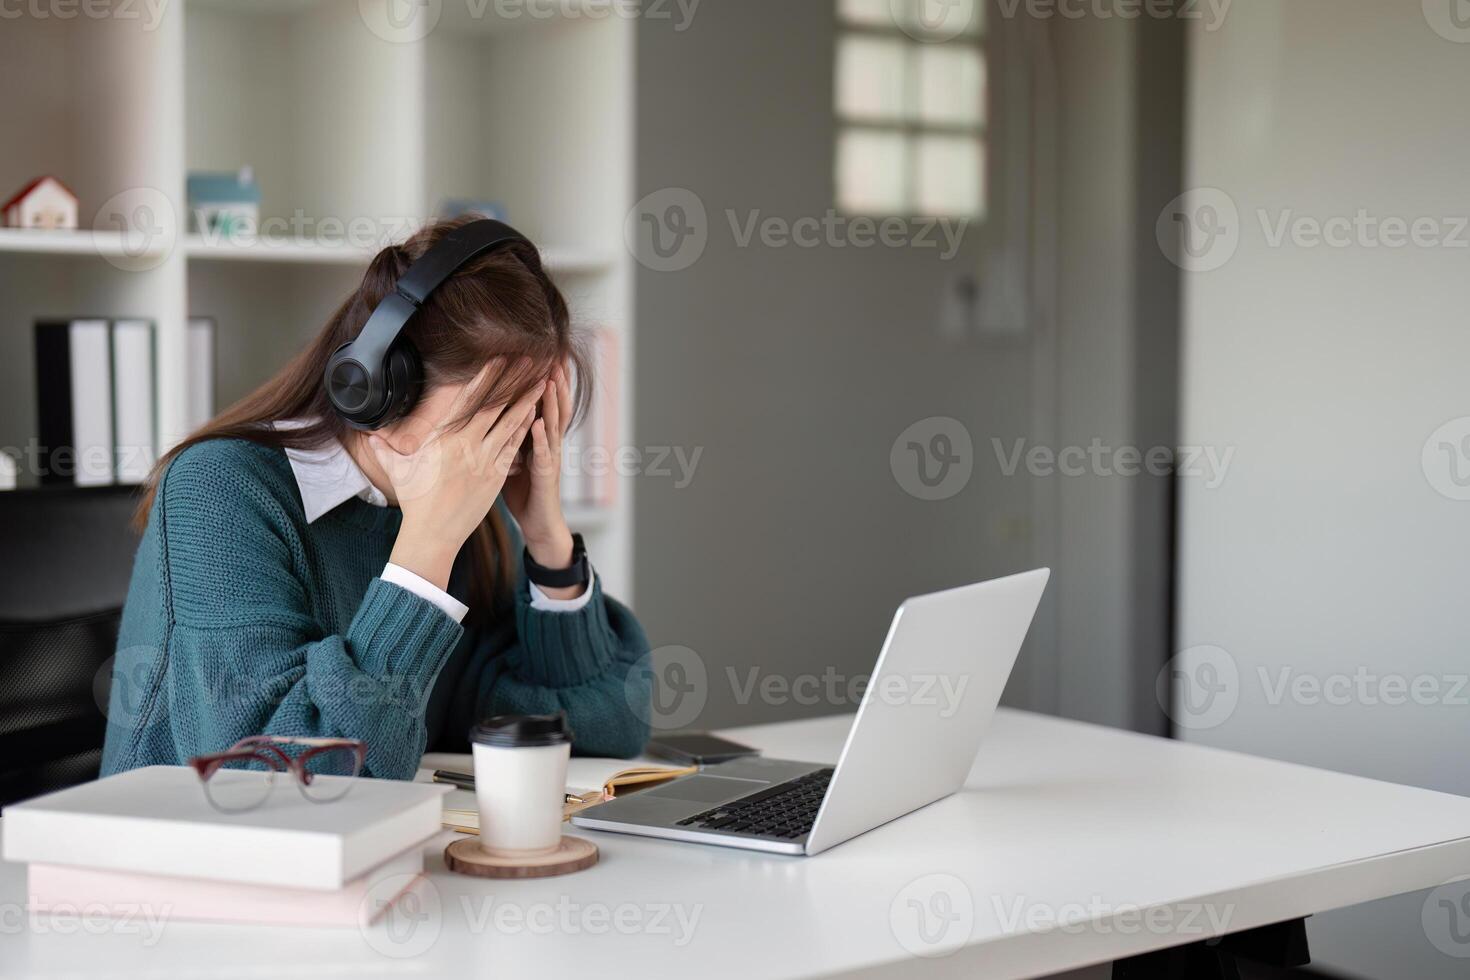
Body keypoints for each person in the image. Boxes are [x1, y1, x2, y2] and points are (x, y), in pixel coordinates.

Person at [100, 218, 651, 780]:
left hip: (373, 858)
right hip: (190, 856)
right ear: (378, 390)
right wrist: (424, 551)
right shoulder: (220, 491)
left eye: (529, 420)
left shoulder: (472, 519)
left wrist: (546, 540)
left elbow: (610, 724)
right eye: (491, 425)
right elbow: (288, 779)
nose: (508, 452)